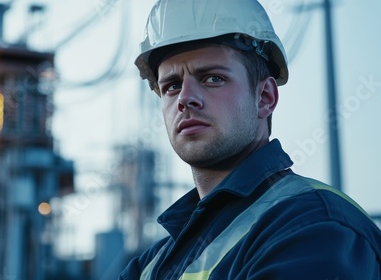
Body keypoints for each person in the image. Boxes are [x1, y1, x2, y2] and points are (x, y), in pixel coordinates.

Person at [119, 0, 381, 279]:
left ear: (264, 98)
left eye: (212, 79)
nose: (185, 99)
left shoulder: (315, 226)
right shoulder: (152, 264)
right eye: (171, 86)